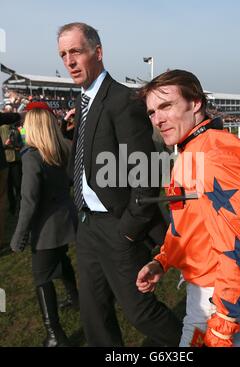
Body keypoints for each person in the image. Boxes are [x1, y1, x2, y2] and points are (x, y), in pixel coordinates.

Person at [57, 22, 182, 346]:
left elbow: (147, 173)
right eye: (63, 54)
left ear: (97, 52)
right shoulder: (84, 100)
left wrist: (129, 228)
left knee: (140, 312)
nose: (69, 61)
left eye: (75, 51)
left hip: (118, 227)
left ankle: (196, 343)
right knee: (93, 313)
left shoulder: (123, 100)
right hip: (87, 227)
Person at [136, 70, 240, 347]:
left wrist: (224, 320)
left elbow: (238, 247)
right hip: (216, 291)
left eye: (166, 106)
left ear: (195, 103)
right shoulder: (194, 150)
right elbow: (188, 225)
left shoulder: (211, 157)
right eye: (151, 112)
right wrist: (163, 260)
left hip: (218, 296)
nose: (157, 119)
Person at [10, 103, 78, 347]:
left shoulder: (31, 156)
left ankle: (54, 335)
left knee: (41, 277)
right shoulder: (61, 148)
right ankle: (76, 300)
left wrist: (18, 238)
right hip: (64, 219)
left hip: (47, 228)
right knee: (62, 261)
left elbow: (29, 202)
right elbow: (70, 180)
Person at [0, 112, 22, 249]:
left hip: (9, 162)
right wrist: (19, 115)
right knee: (2, 200)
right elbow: (8, 117)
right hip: (2, 164)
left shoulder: (14, 129)